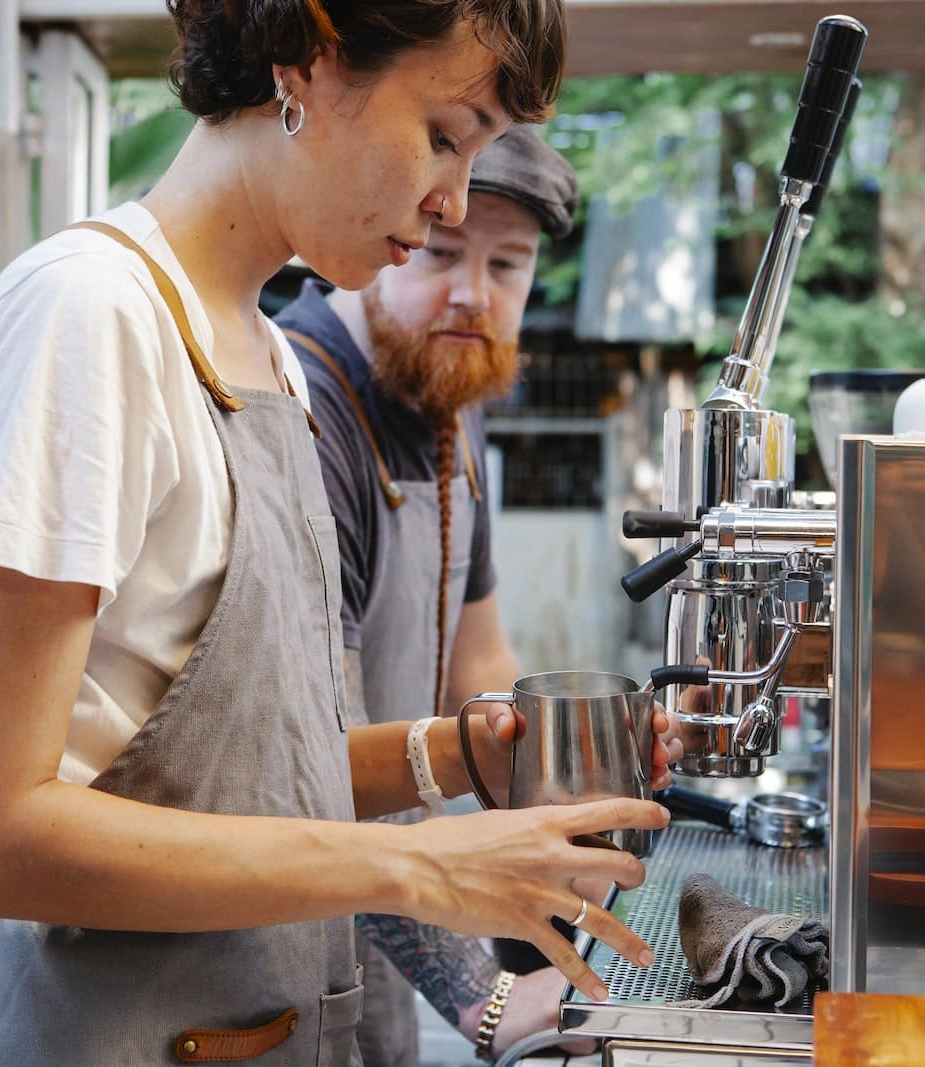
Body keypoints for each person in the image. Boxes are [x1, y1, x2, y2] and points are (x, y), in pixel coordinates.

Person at [0, 2, 677, 1065]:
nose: (451, 196)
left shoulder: (267, 359)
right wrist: (416, 867)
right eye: (446, 135)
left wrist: (457, 754)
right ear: (307, 67)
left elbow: (245, 773)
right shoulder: (88, 315)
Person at [277, 125, 622, 1065]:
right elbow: (313, 774)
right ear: (386, 237)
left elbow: (478, 672)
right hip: (283, 934)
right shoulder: (304, 414)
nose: (476, 294)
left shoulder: (447, 398)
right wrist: (487, 992)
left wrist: (593, 765)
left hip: (386, 923)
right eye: (443, 253)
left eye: (508, 265)